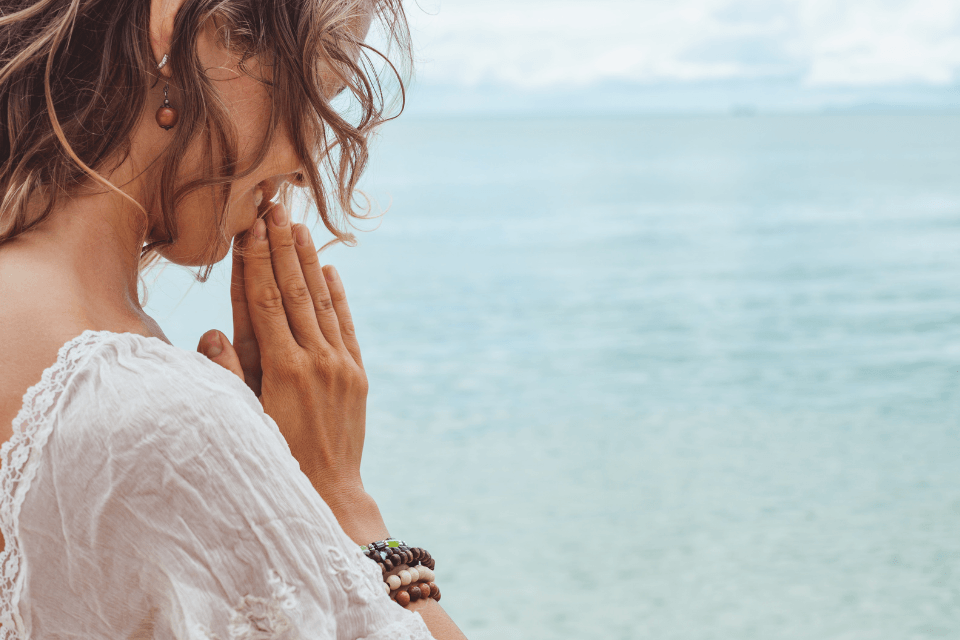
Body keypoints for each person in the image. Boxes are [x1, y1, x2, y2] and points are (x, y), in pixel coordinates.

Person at [0, 0, 467, 637]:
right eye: (319, 92)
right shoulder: (156, 416)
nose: (308, 162)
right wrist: (336, 496)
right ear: (197, 35)